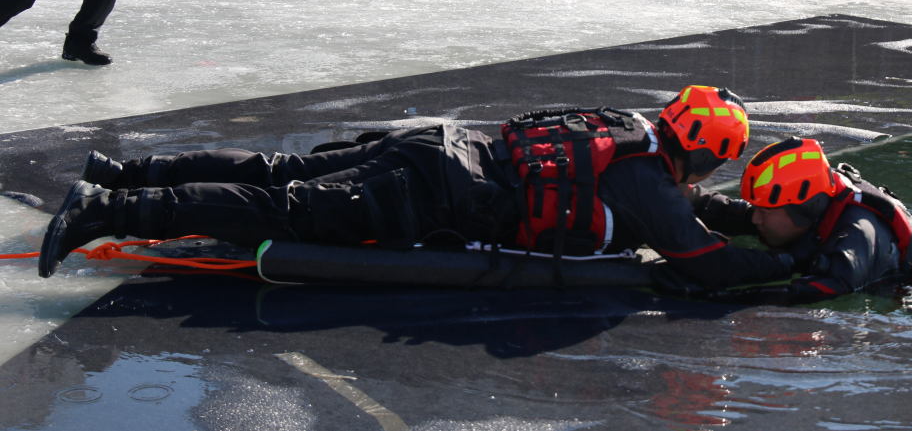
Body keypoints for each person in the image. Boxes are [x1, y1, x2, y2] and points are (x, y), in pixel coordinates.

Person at [38, 85, 794, 289]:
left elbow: (691, 212)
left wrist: (749, 218)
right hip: (432, 195)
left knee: (280, 172)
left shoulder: (629, 127)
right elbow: (703, 260)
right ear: (706, 159)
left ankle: (125, 171)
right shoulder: (654, 189)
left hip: (437, 146)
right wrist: (788, 262)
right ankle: (109, 209)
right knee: (285, 209)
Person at [686, 137, 912, 299]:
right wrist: (679, 195)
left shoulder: (852, 241)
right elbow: (735, 213)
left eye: (765, 212)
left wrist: (709, 294)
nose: (756, 219)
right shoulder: (808, 206)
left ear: (804, 209)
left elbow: (804, 292)